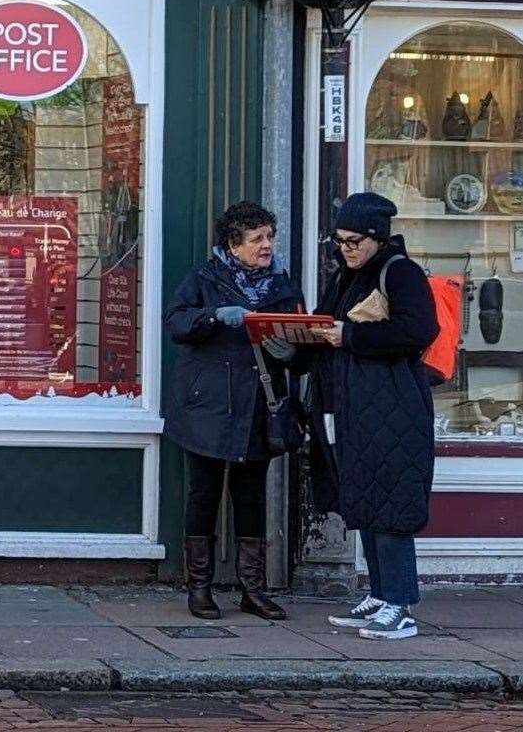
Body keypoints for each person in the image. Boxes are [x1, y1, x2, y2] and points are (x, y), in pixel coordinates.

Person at [164, 200, 304, 621]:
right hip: (207, 404)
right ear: (233, 244)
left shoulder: (283, 285)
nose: (267, 245)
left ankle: (253, 590)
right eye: (257, 238)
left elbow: (303, 347)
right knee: (203, 495)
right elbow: (176, 324)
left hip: (258, 406)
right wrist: (214, 317)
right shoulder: (204, 278)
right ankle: (200, 588)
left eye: (269, 236)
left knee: (250, 497)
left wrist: (293, 350)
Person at [308, 192, 437, 641]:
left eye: (353, 241)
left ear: (377, 237)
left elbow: (419, 330)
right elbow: (326, 324)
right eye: (339, 241)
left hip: (394, 407)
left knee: (391, 505)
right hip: (354, 407)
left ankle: (400, 606)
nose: (345, 249)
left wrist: (350, 335)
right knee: (363, 498)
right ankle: (381, 596)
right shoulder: (348, 275)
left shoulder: (400, 272)